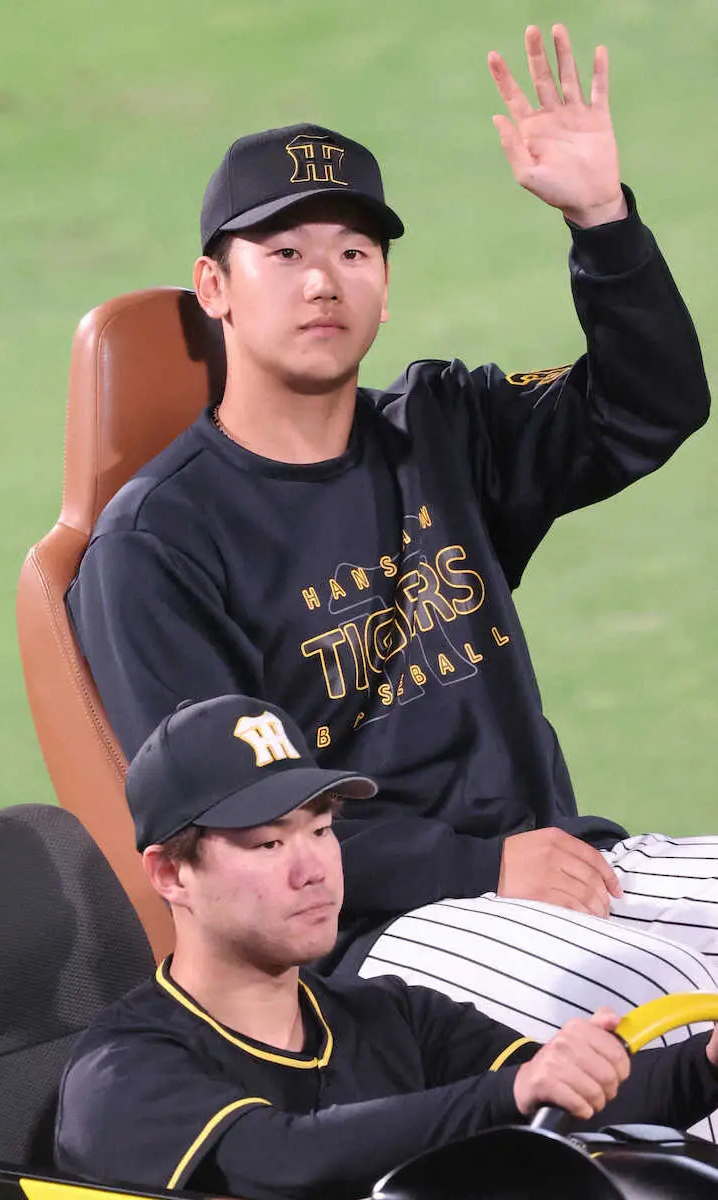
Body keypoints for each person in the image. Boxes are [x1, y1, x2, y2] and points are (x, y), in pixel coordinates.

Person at [65, 23, 718, 1131]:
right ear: (213, 287)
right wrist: (478, 862)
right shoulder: (153, 546)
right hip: (386, 945)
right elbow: (229, 828)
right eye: (283, 252)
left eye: (355, 252)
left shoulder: (440, 430)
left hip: (565, 863)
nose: (323, 279)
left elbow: (650, 405)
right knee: (667, 1036)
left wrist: (599, 222)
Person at [53, 696, 718, 1200]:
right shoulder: (121, 1073)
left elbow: (581, 1097)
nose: (312, 867)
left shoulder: (393, 1017)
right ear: (171, 873)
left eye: (320, 830)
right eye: (269, 843)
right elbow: (280, 1162)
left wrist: (707, 1064)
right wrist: (510, 1093)